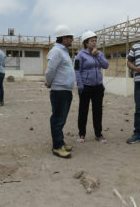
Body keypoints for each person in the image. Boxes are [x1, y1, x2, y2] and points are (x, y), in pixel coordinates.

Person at [45, 24, 76, 158]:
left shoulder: (63, 51)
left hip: (65, 90)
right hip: (59, 91)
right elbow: (50, 70)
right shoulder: (56, 51)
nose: (72, 40)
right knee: (58, 118)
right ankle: (57, 147)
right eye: (70, 38)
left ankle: (61, 142)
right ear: (64, 38)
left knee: (62, 118)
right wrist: (49, 82)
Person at [75, 30, 109, 143]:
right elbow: (77, 71)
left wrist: (98, 55)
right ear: (86, 43)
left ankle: (98, 134)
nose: (94, 43)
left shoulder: (99, 54)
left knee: (98, 111)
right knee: (83, 111)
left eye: (95, 41)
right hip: (85, 87)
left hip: (98, 87)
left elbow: (106, 65)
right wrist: (80, 86)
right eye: (92, 41)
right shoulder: (80, 56)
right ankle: (81, 134)